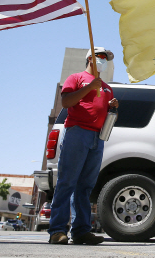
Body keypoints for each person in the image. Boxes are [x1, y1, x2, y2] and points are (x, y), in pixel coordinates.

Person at [48, 47, 119, 245]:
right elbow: (67, 101)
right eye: (101, 57)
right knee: (67, 182)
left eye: (106, 58)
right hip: (77, 133)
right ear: (90, 59)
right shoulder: (76, 78)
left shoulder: (106, 88)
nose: (104, 61)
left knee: (85, 186)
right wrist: (88, 87)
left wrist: (112, 107)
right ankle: (57, 230)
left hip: (97, 138)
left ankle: (81, 231)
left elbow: (101, 111)